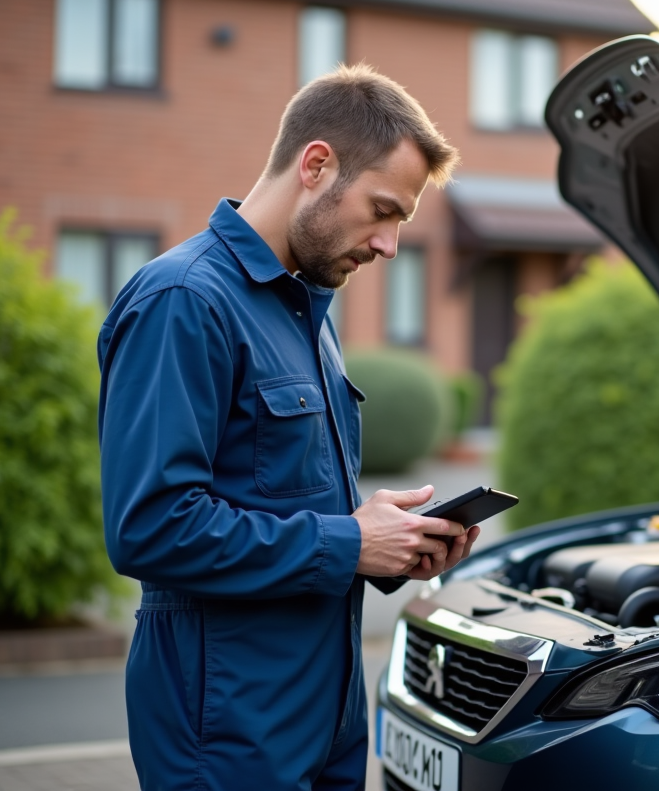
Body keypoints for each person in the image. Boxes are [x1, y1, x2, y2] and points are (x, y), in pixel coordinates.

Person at [96, 64, 476, 791]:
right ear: (316, 165)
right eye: (383, 210)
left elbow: (293, 515)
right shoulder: (184, 300)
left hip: (325, 721)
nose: (390, 245)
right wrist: (349, 541)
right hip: (229, 735)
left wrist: (387, 549)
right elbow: (149, 526)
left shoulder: (306, 313)